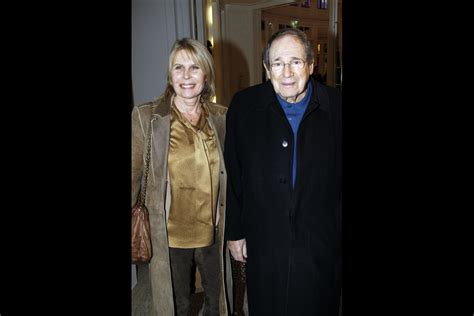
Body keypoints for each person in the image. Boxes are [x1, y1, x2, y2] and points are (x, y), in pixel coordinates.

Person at [224, 28, 342, 315]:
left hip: (320, 241)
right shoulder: (244, 106)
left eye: (296, 62)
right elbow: (234, 174)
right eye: (277, 63)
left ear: (311, 65)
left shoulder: (338, 108)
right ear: (267, 69)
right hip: (265, 239)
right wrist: (235, 231)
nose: (287, 72)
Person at [132, 38, 230, 316]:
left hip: (212, 231)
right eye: (178, 67)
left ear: (206, 74)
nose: (186, 76)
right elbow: (132, 175)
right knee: (179, 304)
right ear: (169, 75)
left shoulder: (222, 117)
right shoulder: (147, 117)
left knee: (216, 302)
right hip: (170, 237)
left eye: (194, 67)